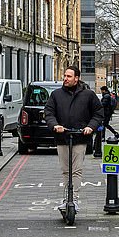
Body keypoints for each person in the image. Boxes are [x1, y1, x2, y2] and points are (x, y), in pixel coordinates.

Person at [45, 65, 103, 211]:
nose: (65, 78)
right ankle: (66, 199)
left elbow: (98, 113)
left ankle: (74, 199)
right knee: (65, 170)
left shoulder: (88, 95)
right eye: (64, 76)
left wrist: (90, 127)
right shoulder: (56, 95)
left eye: (69, 76)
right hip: (62, 137)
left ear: (76, 78)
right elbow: (49, 113)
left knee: (76, 170)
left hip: (80, 138)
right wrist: (55, 125)